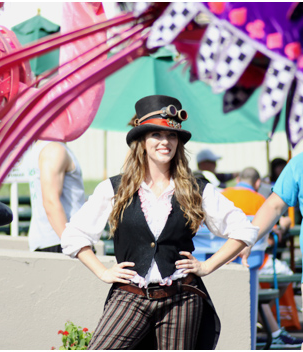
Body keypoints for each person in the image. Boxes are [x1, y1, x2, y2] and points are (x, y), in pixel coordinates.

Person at [61, 95, 258, 350]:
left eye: (172, 136)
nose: (165, 142)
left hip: (182, 297)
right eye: (156, 134)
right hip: (130, 295)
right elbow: (73, 236)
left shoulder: (196, 189)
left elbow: (244, 229)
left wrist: (207, 266)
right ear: (142, 141)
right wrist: (103, 272)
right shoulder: (115, 188)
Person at [238, 146, 303, 350]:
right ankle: (274, 330)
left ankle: (274, 329)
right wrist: (247, 239)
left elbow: (274, 206)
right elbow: (274, 206)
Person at [222, 167, 303, 348]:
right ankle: (270, 325)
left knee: (254, 288)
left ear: (237, 179)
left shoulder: (222, 195)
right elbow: (274, 230)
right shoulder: (261, 200)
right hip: (251, 258)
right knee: (284, 276)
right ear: (257, 183)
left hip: (223, 256)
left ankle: (266, 325)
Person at [28, 140, 86, 253]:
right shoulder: (54, 149)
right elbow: (50, 202)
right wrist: (74, 246)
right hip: (60, 242)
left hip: (55, 240)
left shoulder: (45, 147)